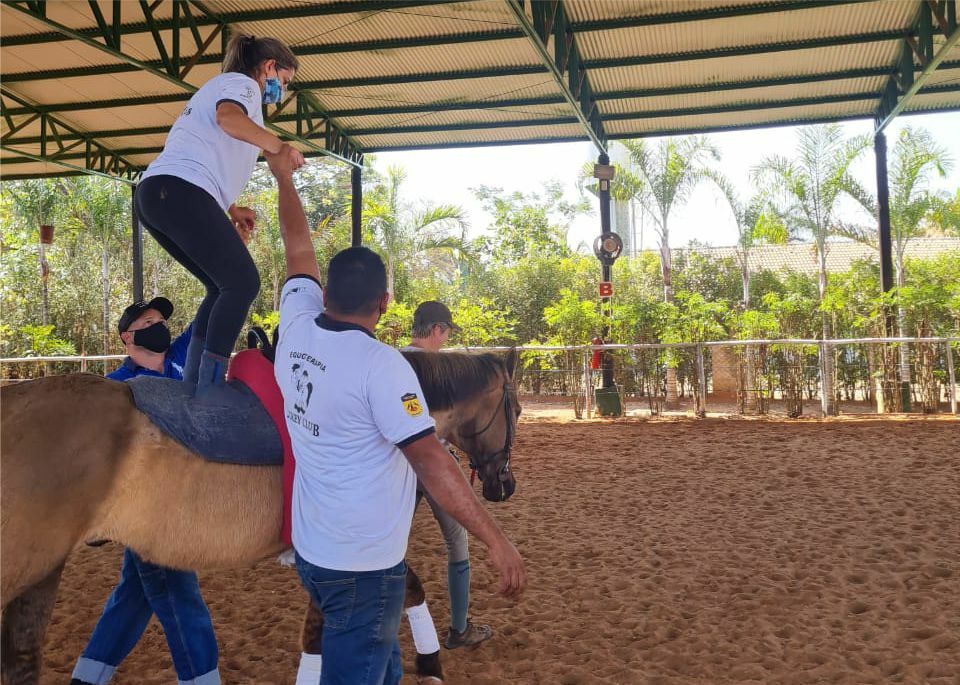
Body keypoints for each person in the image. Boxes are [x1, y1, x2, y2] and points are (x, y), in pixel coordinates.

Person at [265, 149, 525, 685]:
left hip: (313, 553)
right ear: (384, 302)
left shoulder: (293, 328)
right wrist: (494, 538)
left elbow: (297, 251)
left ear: (324, 294)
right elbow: (432, 462)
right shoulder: (383, 367)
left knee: (383, 668)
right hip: (364, 567)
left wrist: (283, 179)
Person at [135, 33, 304, 394]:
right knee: (243, 283)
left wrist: (230, 206)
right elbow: (227, 119)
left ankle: (193, 384)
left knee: (220, 285)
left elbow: (203, 150)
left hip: (160, 193)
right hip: (180, 190)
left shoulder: (220, 87)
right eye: (284, 81)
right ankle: (209, 389)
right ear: (269, 68)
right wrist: (279, 148)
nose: (281, 91)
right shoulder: (242, 84)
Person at [71, 299, 220, 685]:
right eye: (148, 321)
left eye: (160, 320)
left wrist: (233, 251)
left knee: (133, 599)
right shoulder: (116, 388)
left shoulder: (179, 359)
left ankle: (86, 677)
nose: (159, 326)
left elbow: (210, 312)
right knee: (180, 599)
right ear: (127, 336)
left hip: (180, 504)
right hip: (149, 513)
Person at [403, 302, 493, 649]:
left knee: (391, 544)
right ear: (437, 329)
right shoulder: (441, 366)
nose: (446, 339)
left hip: (402, 467)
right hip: (435, 466)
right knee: (457, 544)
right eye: (447, 332)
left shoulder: (393, 361)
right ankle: (459, 628)